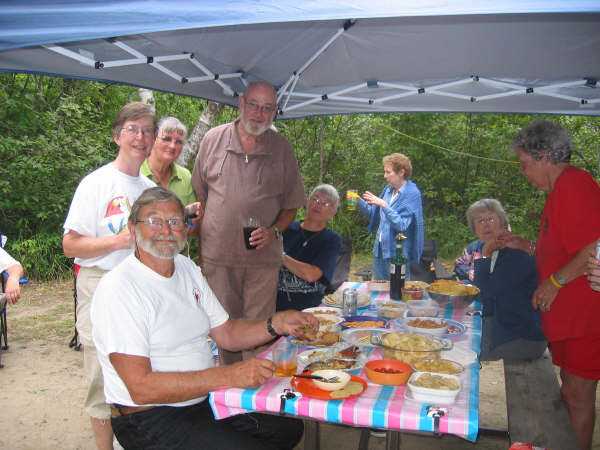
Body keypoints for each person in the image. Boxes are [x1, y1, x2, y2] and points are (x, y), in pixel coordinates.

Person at [91, 186, 316, 450]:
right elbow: (141, 388)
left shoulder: (186, 268)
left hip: (200, 400)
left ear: (186, 229)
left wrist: (276, 323)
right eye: (154, 221)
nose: (165, 230)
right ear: (132, 229)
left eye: (175, 222)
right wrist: (229, 375)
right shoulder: (119, 288)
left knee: (287, 429)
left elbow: (228, 333)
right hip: (148, 416)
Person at [62, 102, 158, 450]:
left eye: (147, 131)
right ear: (118, 136)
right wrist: (118, 240)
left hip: (140, 291)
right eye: (133, 129)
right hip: (100, 286)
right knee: (102, 381)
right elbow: (70, 245)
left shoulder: (149, 189)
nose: (140, 137)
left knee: (141, 374)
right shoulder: (96, 183)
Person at [501, 120, 600, 450]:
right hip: (571, 318)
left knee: (578, 395)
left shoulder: (574, 185)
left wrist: (555, 282)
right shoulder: (561, 189)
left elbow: (595, 245)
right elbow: (565, 247)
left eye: (525, 164)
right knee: (569, 390)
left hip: (588, 317)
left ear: (543, 156)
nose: (522, 172)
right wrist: (527, 245)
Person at [191, 81, 305, 365]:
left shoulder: (282, 149)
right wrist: (203, 256)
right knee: (223, 331)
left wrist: (274, 230)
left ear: (275, 112)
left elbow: (292, 206)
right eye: (253, 104)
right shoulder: (212, 140)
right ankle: (230, 397)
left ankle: (256, 399)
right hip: (219, 260)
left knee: (259, 330)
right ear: (241, 104)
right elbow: (202, 202)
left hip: (261, 263)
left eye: (267, 108)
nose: (258, 113)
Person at [460, 199, 546, 361]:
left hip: (521, 338)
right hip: (505, 325)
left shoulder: (515, 253)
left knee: (457, 348)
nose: (486, 225)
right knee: (454, 329)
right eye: (480, 221)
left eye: (491, 219)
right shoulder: (497, 249)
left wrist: (485, 255)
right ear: (474, 229)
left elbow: (484, 296)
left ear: (503, 222)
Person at [357, 152, 424, 281]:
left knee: (398, 291)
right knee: (380, 290)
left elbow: (402, 225)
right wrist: (359, 202)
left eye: (388, 172)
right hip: (381, 249)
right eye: (385, 172)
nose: (385, 176)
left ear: (401, 172)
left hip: (398, 252)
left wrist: (384, 205)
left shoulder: (412, 193)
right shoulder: (388, 190)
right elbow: (373, 215)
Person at [276, 184, 342, 312]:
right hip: (274, 305)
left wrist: (280, 256)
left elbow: (312, 275)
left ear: (333, 213)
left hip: (309, 309)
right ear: (307, 202)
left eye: (326, 204)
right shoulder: (285, 230)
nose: (318, 205)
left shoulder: (331, 240)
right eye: (315, 199)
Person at [140, 116, 198, 207]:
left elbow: (193, 218)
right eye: (166, 139)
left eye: (178, 142)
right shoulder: (136, 172)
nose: (172, 146)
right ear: (152, 140)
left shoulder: (185, 177)